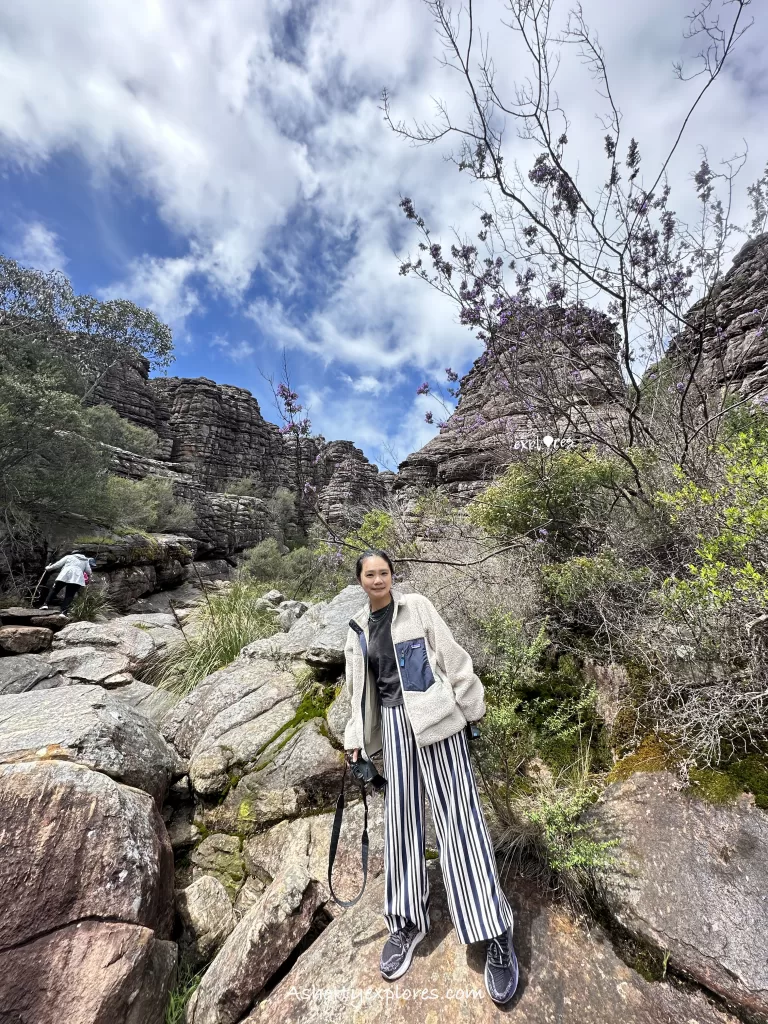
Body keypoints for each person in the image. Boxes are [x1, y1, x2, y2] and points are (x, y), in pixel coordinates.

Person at [343, 549, 518, 1006]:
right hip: (392, 731)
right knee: (401, 828)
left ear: (392, 576)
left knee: (460, 823)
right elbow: (356, 694)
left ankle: (495, 931)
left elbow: (452, 658)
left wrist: (473, 709)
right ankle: (405, 924)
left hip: (437, 723)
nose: (377, 579)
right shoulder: (357, 630)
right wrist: (355, 738)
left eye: (383, 572)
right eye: (369, 574)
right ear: (360, 581)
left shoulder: (417, 608)